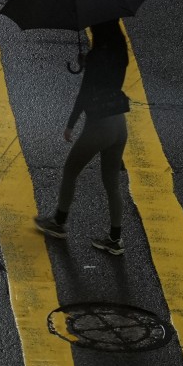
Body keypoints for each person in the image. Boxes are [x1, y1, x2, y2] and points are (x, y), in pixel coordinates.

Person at [35, 19, 130, 255]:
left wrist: (70, 124)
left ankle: (59, 222)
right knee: (111, 184)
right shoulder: (120, 53)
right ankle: (115, 239)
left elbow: (85, 93)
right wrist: (89, 64)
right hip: (119, 123)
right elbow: (108, 80)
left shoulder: (97, 56)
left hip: (99, 126)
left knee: (71, 170)